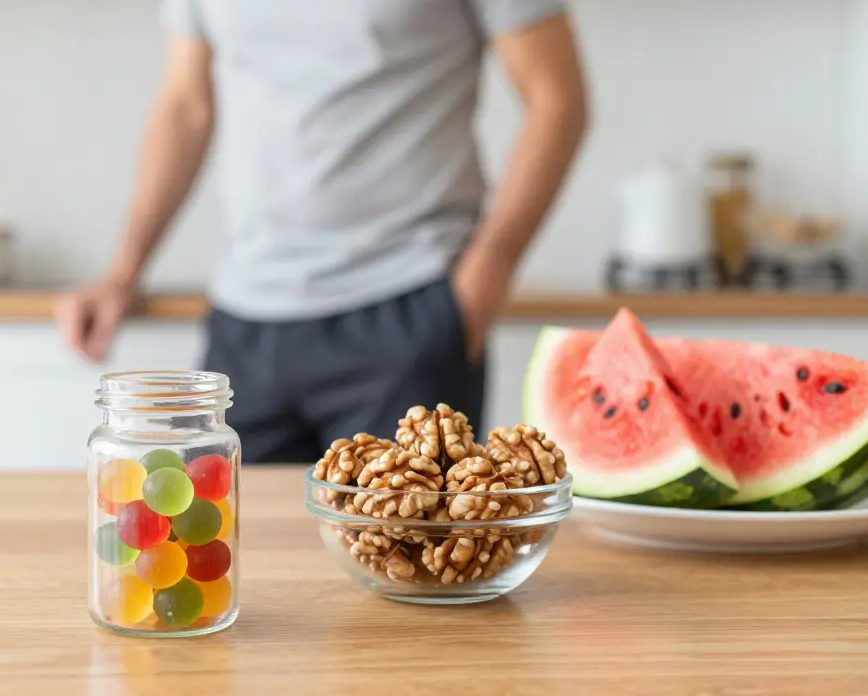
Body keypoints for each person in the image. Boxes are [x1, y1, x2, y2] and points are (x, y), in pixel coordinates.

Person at [57, 0, 589, 464]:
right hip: (243, 326)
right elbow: (185, 106)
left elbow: (556, 98)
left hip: (408, 312)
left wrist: (481, 283)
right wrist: (123, 271)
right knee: (231, 566)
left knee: (408, 570)